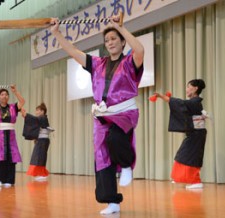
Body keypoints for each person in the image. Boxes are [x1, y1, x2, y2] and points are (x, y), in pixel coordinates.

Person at [51, 14, 144, 215]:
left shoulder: (130, 62)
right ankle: (112, 202)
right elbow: (73, 51)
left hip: (124, 113)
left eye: (114, 39)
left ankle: (127, 166)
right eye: (107, 40)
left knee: (115, 137)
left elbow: (140, 49)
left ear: (122, 41)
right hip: (102, 116)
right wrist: (57, 34)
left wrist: (121, 27)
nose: (110, 43)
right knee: (102, 158)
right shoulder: (98, 64)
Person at [153, 79, 207, 189]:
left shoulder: (195, 101)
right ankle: (192, 180)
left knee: (190, 156)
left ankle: (195, 181)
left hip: (197, 134)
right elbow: (183, 109)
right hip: (194, 134)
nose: (186, 89)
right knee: (184, 155)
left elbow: (180, 103)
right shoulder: (194, 102)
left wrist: (162, 97)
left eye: (188, 87)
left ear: (196, 88)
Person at [21, 103, 54, 181]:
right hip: (42, 140)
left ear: (42, 111)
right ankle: (40, 173)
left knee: (39, 157)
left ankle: (41, 174)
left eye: (38, 110)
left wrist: (26, 115)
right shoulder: (41, 118)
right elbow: (34, 122)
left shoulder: (43, 118)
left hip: (43, 140)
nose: (36, 112)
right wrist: (25, 116)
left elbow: (34, 120)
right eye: (36, 110)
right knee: (39, 157)